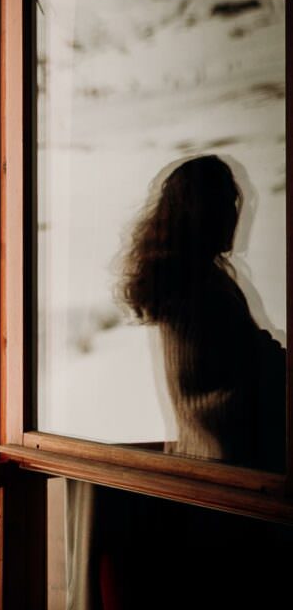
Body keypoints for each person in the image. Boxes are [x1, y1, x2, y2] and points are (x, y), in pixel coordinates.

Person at [118, 153, 286, 472]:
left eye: (235, 203)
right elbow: (243, 366)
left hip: (210, 454)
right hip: (232, 462)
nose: (234, 215)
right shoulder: (196, 285)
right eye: (225, 203)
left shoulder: (191, 278)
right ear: (201, 212)